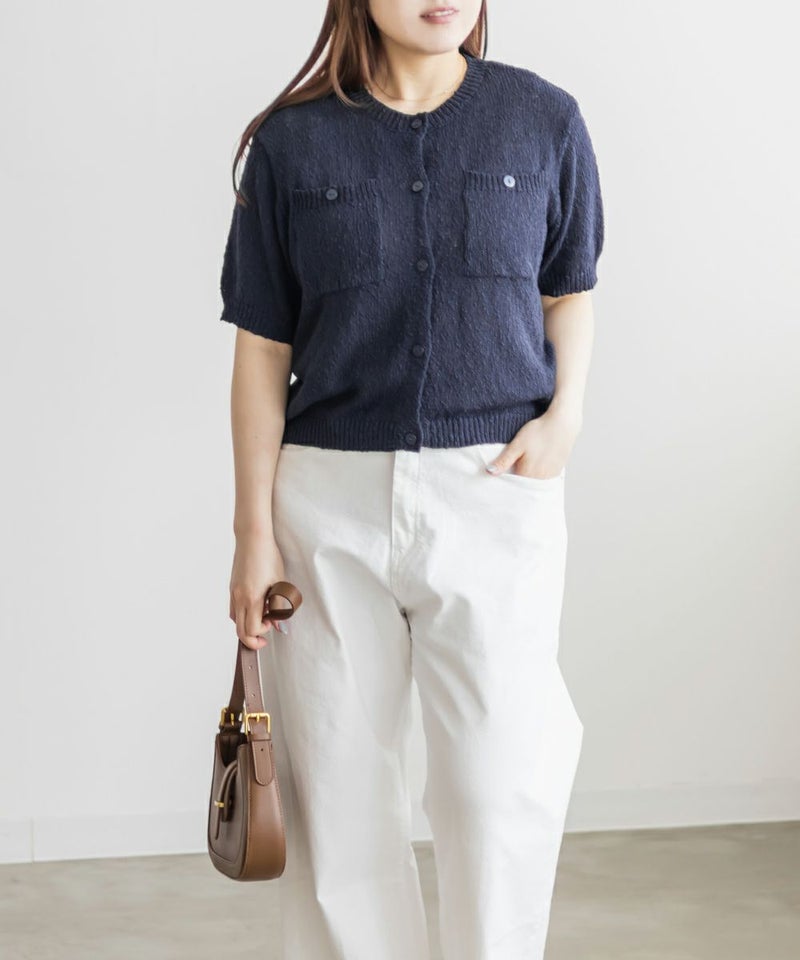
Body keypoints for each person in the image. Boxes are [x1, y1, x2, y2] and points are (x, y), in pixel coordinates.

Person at [219, 2, 604, 958]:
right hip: (325, 507)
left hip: (496, 491)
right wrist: (253, 533)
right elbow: (263, 348)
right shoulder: (292, 145)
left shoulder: (543, 118)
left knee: (500, 784)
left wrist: (565, 416)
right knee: (336, 793)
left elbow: (568, 291)